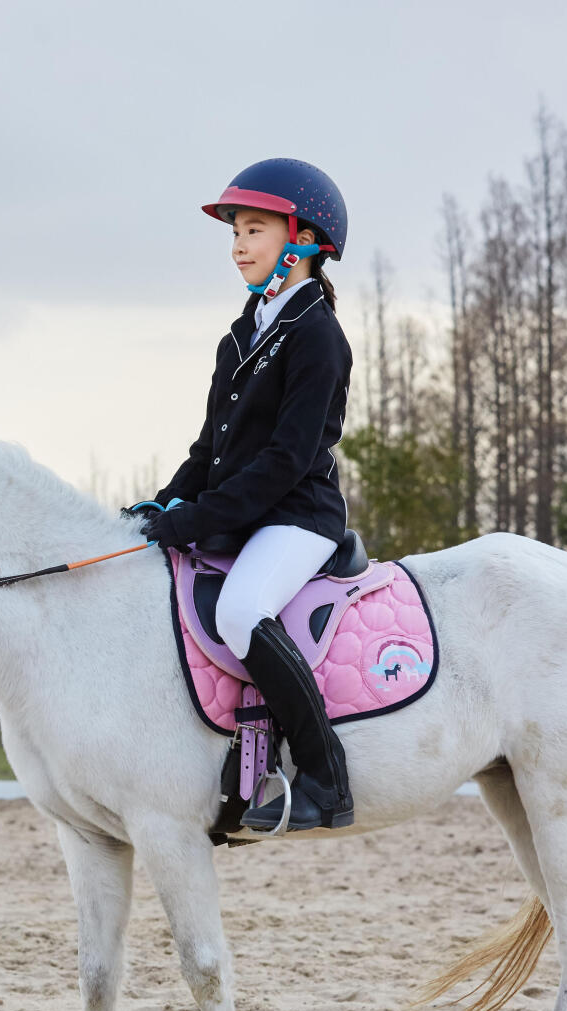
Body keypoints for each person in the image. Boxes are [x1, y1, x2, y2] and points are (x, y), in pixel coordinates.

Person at [140, 157, 355, 832]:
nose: (237, 244)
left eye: (254, 229)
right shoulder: (242, 333)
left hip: (297, 514)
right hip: (244, 510)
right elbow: (210, 450)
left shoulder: (318, 335)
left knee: (240, 609)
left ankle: (324, 779)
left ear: (303, 241)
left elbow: (286, 460)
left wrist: (201, 518)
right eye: (235, 229)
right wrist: (164, 505)